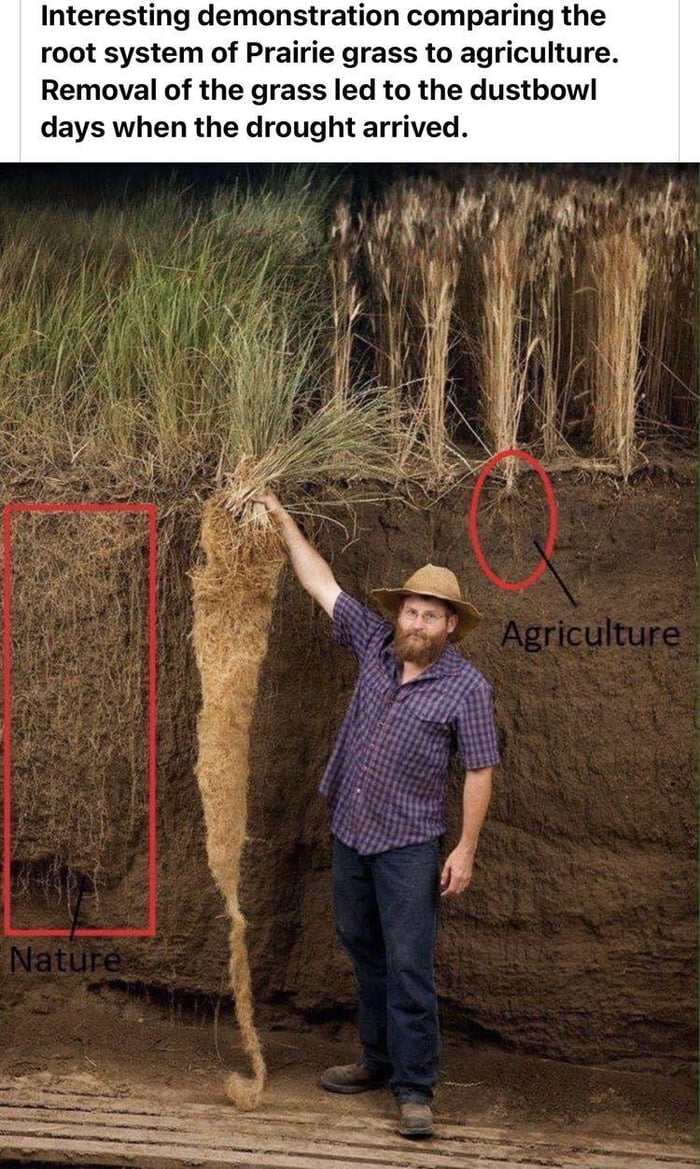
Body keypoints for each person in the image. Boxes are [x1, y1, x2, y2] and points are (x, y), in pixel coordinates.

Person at [255, 490, 499, 1139]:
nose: (416, 622)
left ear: (451, 625)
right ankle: (376, 1057)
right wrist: (282, 519)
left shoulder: (468, 689)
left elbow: (480, 767)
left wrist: (466, 847)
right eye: (411, 610)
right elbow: (321, 582)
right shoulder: (372, 642)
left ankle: (415, 1088)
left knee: (409, 962)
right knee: (363, 947)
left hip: (411, 845)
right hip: (351, 833)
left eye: (431, 615)